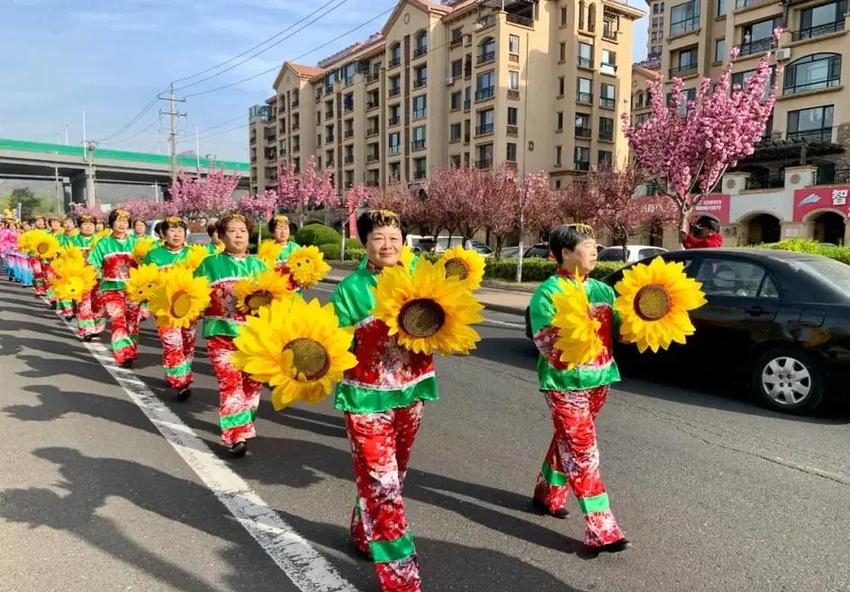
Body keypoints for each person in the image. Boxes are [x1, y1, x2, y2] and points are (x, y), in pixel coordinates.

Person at [330, 210, 437, 592]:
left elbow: (445, 328)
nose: (388, 243)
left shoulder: (421, 276)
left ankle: (364, 531)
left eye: (395, 236)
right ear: (364, 243)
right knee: (384, 483)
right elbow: (335, 342)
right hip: (365, 398)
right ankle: (401, 576)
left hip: (412, 394)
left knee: (396, 475)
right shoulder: (350, 289)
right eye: (379, 237)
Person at [528, 223, 630, 554]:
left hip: (600, 380)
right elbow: (547, 346)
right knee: (583, 450)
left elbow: (621, 333)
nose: (595, 250)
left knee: (568, 440)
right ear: (566, 254)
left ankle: (547, 493)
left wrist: (645, 317)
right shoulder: (547, 294)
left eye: (596, 244)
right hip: (564, 383)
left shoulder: (603, 291)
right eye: (588, 245)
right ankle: (602, 526)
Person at [194, 213, 267, 457]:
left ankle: (244, 424)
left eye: (243, 231)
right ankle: (236, 435)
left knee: (252, 387)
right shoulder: (209, 265)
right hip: (221, 336)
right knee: (231, 385)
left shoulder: (260, 266)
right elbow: (194, 296)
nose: (239, 235)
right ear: (222, 237)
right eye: (233, 231)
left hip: (254, 339)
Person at [143, 216, 197, 400]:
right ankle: (181, 382)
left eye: (180, 230)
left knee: (188, 344)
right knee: (173, 343)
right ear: (163, 234)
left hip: (190, 308)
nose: (177, 234)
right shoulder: (153, 255)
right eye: (172, 231)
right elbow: (145, 282)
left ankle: (176, 371)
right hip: (165, 310)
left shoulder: (194, 254)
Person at [87, 209, 139, 367]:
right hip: (111, 290)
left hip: (133, 291)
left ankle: (131, 349)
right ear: (112, 223)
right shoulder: (103, 243)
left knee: (132, 324)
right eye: (118, 220)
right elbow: (93, 263)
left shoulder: (136, 243)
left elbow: (147, 263)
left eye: (125, 221)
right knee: (118, 321)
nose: (122, 224)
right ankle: (124, 354)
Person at [73, 214, 105, 341]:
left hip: (98, 276)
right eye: (85, 224)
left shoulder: (101, 241)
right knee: (84, 303)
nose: (88, 227)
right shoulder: (73, 241)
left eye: (91, 224)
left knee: (98, 302)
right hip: (81, 278)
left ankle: (98, 327)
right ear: (79, 227)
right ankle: (87, 330)